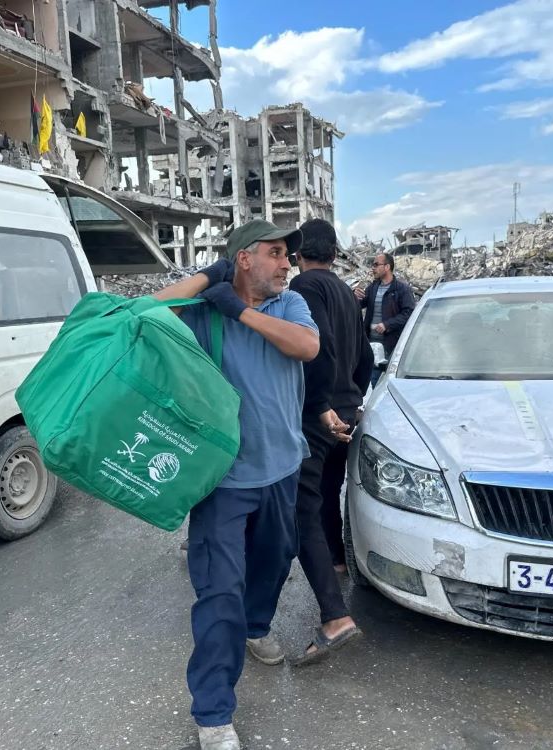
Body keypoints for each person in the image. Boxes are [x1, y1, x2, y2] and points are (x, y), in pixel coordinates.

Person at [154, 220, 319, 750]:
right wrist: (207, 279)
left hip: (283, 468)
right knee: (220, 591)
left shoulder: (289, 305)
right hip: (223, 479)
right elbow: (145, 316)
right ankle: (213, 713)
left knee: (275, 561)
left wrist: (240, 311)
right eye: (276, 253)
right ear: (244, 259)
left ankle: (256, 625)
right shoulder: (204, 313)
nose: (287, 264)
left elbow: (307, 347)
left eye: (287, 255)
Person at [288, 219, 373, 666]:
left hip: (320, 415)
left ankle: (335, 616)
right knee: (328, 492)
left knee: (302, 509)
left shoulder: (303, 287)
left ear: (297, 254)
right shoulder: (344, 291)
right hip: (347, 409)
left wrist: (322, 405)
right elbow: (366, 356)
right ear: (335, 254)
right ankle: (338, 560)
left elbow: (314, 349)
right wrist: (351, 399)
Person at [355, 253, 416, 382]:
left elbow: (409, 313)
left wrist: (387, 325)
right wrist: (353, 296)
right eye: (373, 265)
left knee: (390, 382)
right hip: (372, 345)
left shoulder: (402, 289)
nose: (373, 268)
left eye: (376, 265)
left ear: (387, 267)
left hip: (392, 346)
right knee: (374, 381)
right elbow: (358, 305)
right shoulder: (372, 288)